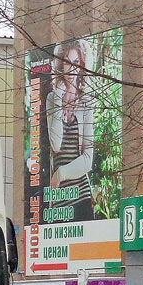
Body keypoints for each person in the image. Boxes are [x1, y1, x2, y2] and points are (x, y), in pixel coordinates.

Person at [45, 39, 96, 222]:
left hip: (81, 197)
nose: (72, 69)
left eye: (76, 63)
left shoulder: (87, 103)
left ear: (81, 65)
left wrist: (61, 173)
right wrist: (59, 99)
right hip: (59, 203)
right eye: (67, 63)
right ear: (60, 65)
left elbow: (87, 159)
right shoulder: (52, 99)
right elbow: (56, 145)